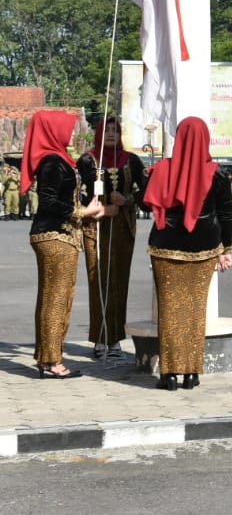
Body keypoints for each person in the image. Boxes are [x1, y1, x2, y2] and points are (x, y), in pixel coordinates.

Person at [24, 110, 117, 378]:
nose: (74, 133)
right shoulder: (53, 161)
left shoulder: (58, 159)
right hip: (56, 235)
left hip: (56, 235)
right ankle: (52, 361)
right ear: (55, 131)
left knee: (50, 297)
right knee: (56, 299)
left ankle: (46, 358)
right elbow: (49, 200)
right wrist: (83, 212)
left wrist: (89, 207)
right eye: (69, 128)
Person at [143, 117, 232, 391]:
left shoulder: (163, 170)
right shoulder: (216, 174)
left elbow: (146, 204)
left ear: (178, 138)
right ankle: (191, 373)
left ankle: (169, 374)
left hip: (166, 246)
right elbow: (226, 216)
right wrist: (226, 250)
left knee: (170, 310)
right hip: (205, 247)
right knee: (195, 310)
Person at [79, 116, 147, 360]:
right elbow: (79, 194)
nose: (110, 134)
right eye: (106, 130)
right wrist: (101, 205)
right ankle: (99, 338)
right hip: (95, 228)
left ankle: (116, 338)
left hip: (123, 228)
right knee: (98, 279)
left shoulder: (133, 161)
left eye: (115, 131)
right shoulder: (88, 160)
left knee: (120, 281)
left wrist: (127, 200)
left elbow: (145, 195)